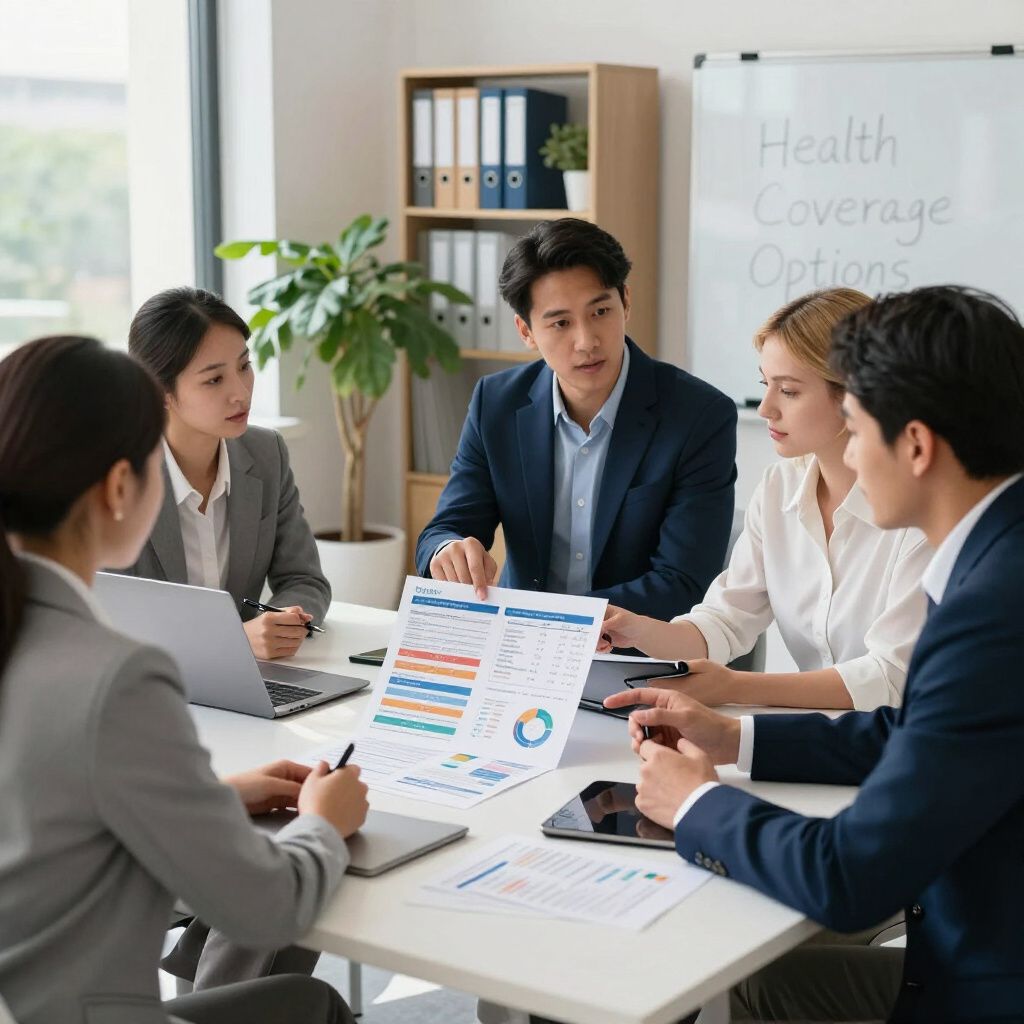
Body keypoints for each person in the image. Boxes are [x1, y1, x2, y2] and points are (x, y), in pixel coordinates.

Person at [607, 286, 1024, 1023]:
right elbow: (912, 732)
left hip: (981, 982)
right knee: (763, 980)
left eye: (858, 429)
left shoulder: (990, 609)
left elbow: (848, 874)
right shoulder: (993, 555)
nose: (853, 456)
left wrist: (696, 802)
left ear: (918, 445)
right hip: (972, 933)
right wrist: (733, 734)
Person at [0, 336, 368, 1024]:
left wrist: (217, 798)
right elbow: (266, 905)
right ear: (118, 487)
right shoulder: (116, 677)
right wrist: (324, 822)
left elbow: (50, 817)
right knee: (311, 1005)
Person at [600, 288, 931, 711]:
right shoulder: (780, 487)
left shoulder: (920, 511)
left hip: (907, 745)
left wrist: (734, 687)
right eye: (765, 385)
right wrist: (640, 631)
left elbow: (891, 679)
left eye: (789, 391)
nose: (766, 409)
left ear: (857, 394)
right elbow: (723, 622)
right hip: (815, 738)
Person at [415, 218, 737, 619]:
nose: (587, 341)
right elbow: (445, 528)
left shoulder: (699, 416)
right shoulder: (496, 403)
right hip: (521, 648)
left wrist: (553, 619)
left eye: (601, 311)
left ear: (626, 302)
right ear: (526, 331)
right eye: (561, 323)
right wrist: (447, 550)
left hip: (636, 654)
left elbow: (683, 583)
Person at [125, 286, 329, 662]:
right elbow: (99, 622)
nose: (241, 393)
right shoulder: (115, 476)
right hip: (145, 688)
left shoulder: (266, 454)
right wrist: (231, 642)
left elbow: (304, 579)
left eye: (244, 366)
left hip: (248, 681)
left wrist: (280, 621)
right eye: (214, 380)